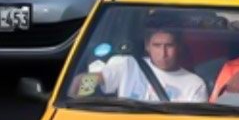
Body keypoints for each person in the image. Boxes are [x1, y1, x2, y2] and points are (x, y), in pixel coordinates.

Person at [80, 28, 209, 103]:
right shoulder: (127, 65)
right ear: (147, 46)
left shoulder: (195, 85)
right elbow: (90, 80)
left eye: (169, 46)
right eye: (157, 45)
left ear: (179, 47)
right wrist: (78, 99)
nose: (163, 53)